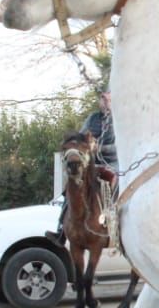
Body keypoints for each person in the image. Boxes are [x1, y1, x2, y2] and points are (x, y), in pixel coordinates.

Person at [47, 90, 117, 245]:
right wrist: (85, 145)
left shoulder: (119, 120)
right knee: (72, 184)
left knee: (116, 182)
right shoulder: (92, 118)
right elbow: (79, 138)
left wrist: (100, 147)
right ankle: (61, 230)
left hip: (113, 162)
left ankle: (116, 225)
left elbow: (120, 145)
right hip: (92, 162)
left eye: (109, 99)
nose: (105, 102)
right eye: (103, 99)